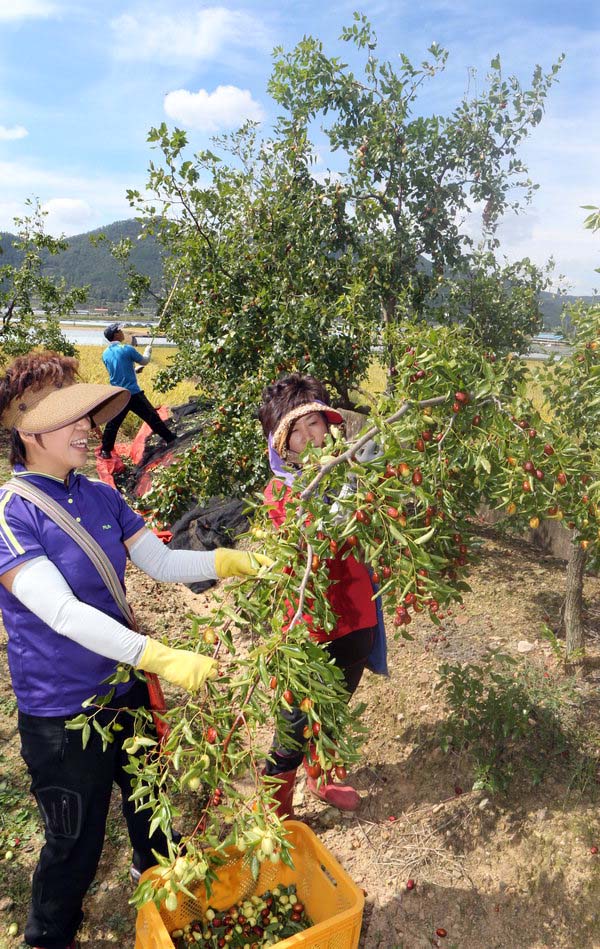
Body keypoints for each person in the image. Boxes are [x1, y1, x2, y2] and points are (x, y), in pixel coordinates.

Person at [0, 352, 270, 949]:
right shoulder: (12, 516)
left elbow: (162, 560)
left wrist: (234, 561)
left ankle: (161, 894)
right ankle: (48, 937)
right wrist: (163, 656)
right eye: (70, 417)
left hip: (124, 690)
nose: (88, 428)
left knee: (152, 809)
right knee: (74, 840)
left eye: (86, 413)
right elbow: (64, 615)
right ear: (27, 430)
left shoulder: (99, 495)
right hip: (63, 713)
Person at [258, 373, 379, 817]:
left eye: (315, 423)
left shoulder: (354, 474)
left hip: (356, 615)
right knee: (294, 723)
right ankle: (276, 805)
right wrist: (345, 498)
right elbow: (315, 540)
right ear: (282, 444)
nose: (311, 437)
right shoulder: (280, 494)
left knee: (336, 705)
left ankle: (322, 776)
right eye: (297, 430)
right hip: (307, 628)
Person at [99, 322, 176, 459]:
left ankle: (105, 450)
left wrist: (134, 371)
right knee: (152, 417)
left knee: (113, 424)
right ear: (115, 335)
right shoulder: (126, 348)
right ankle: (170, 439)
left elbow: (118, 372)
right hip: (132, 394)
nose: (122, 332)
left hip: (118, 394)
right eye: (120, 330)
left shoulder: (105, 354)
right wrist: (148, 351)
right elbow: (144, 361)